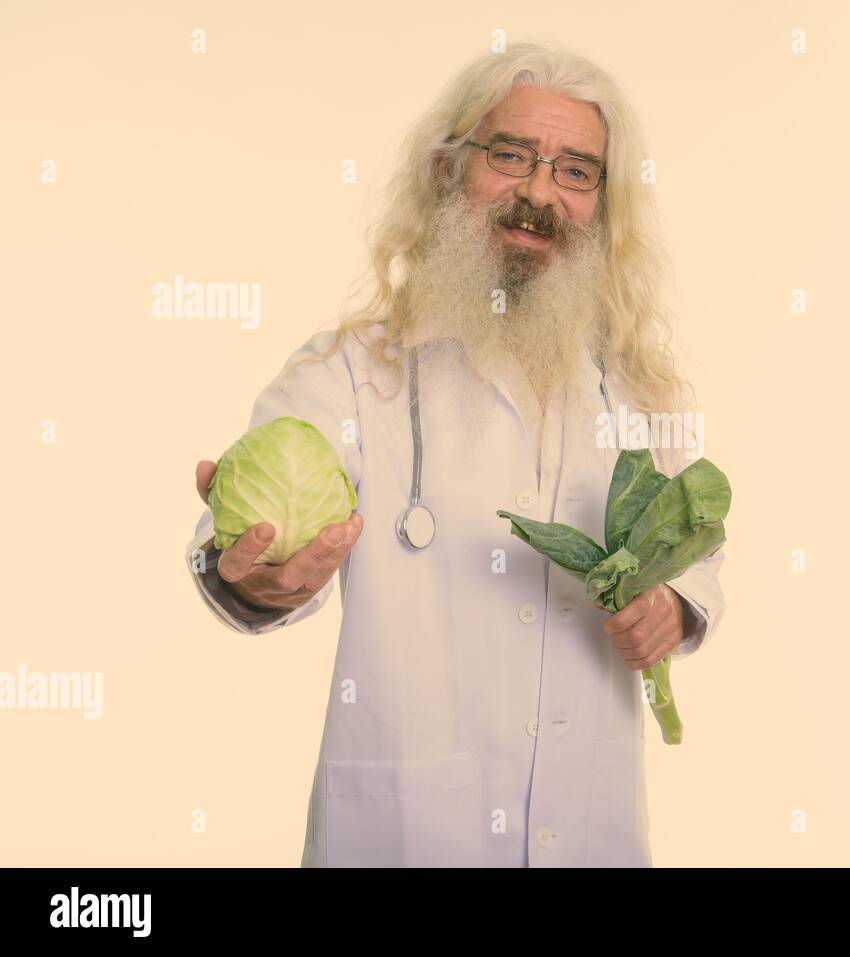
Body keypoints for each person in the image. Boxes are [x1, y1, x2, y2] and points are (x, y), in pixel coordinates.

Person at [184, 41, 726, 867]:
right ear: (447, 170)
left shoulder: (635, 387)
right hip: (405, 837)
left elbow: (697, 541)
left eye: (577, 172)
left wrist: (676, 606)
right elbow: (250, 534)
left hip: (592, 833)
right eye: (510, 155)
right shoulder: (354, 375)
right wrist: (247, 573)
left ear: (604, 205)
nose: (539, 193)